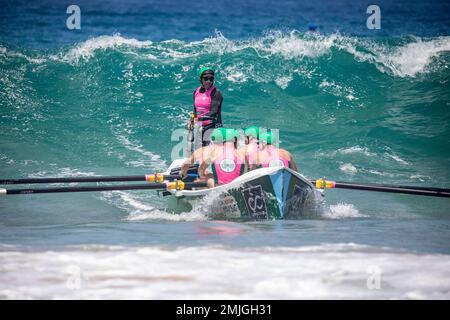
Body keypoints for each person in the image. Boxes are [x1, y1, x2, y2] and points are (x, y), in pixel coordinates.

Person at [180, 128, 247, 188]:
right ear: (234, 139)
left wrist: (184, 174)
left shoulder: (212, 150)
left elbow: (187, 164)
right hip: (237, 186)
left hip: (218, 187)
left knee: (201, 180)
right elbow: (244, 174)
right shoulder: (242, 153)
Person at [192, 66, 223, 149]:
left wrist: (198, 119)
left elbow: (214, 112)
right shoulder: (196, 92)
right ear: (201, 79)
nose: (209, 81)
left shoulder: (216, 93)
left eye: (211, 79)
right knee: (198, 152)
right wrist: (192, 121)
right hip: (200, 127)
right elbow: (195, 110)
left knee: (208, 154)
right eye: (206, 79)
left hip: (213, 127)